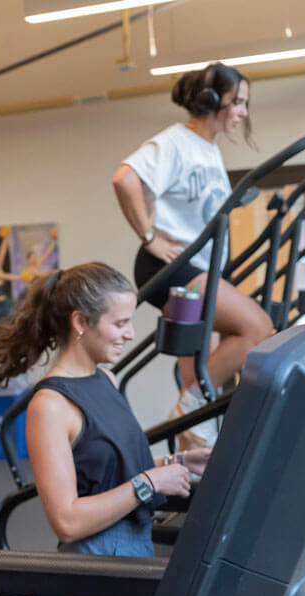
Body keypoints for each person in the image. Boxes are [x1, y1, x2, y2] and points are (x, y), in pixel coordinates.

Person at [0, 263, 208, 596]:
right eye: (120, 323)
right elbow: (66, 521)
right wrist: (150, 484)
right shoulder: (50, 405)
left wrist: (178, 460)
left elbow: (114, 468)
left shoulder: (105, 378)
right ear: (81, 323)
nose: (130, 334)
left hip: (133, 550)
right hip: (97, 569)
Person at [112, 62, 274, 449]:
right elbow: (124, 178)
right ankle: (188, 409)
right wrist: (149, 235)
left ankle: (194, 461)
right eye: (238, 103)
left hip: (195, 268)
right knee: (256, 328)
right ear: (212, 100)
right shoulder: (176, 142)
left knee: (200, 373)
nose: (243, 113)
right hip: (171, 267)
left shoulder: (208, 150)